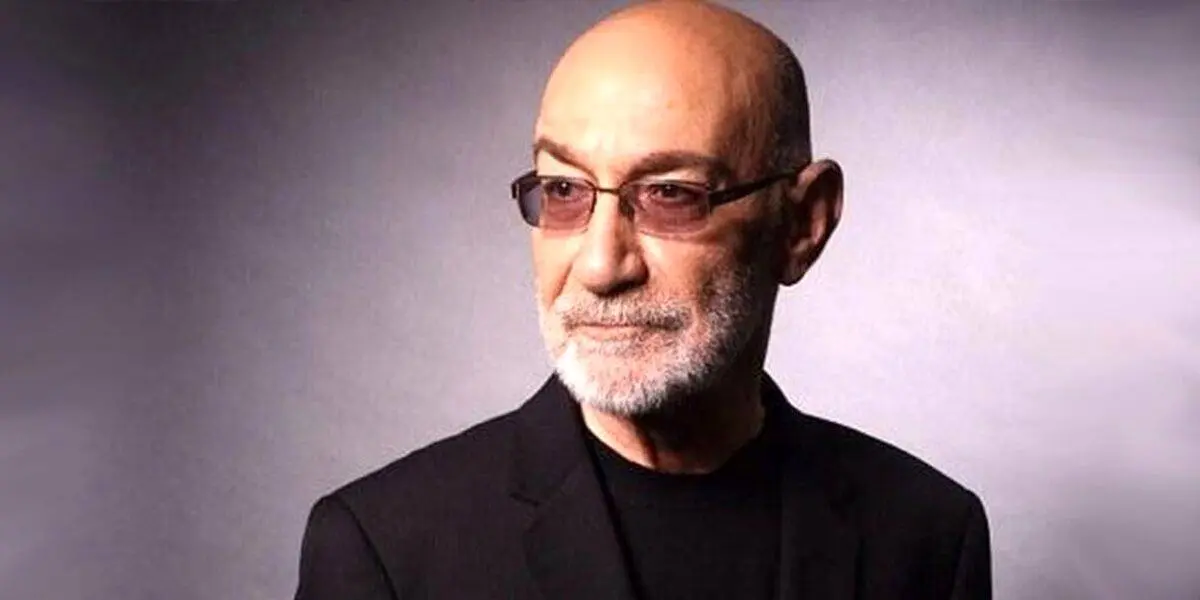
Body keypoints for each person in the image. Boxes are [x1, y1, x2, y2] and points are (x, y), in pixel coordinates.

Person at [294, 1, 991, 598]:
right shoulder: (385, 550)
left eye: (670, 194)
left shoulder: (928, 535)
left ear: (802, 224)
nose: (601, 266)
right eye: (563, 190)